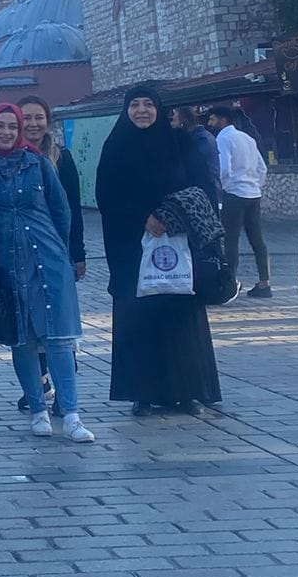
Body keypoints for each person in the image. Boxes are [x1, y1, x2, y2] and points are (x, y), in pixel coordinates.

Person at [95, 83, 222, 418]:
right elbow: (107, 196)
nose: (141, 111)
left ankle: (188, 392)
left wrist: (170, 217)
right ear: (126, 110)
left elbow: (203, 187)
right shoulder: (115, 147)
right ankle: (143, 392)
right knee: (139, 317)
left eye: (148, 104)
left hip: (180, 245)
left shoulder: (180, 143)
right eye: (134, 104)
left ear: (160, 109)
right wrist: (144, 219)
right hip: (132, 249)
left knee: (180, 317)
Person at [0, 105, 94, 444]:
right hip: (9, 263)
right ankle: (37, 410)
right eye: (0, 126)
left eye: (12, 126)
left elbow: (61, 211)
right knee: (23, 339)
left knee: (59, 338)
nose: (7, 132)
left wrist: (61, 250)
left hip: (48, 259)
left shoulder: (39, 164)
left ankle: (71, 414)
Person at [206, 105, 271, 297]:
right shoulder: (247, 138)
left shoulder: (224, 139)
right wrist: (255, 184)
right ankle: (264, 282)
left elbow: (224, 168)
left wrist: (225, 188)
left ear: (223, 120)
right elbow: (262, 168)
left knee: (231, 239)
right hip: (253, 194)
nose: (210, 123)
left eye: (212, 119)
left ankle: (230, 282)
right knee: (257, 240)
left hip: (234, 194)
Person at [19, 100, 86, 277]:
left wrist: (78, 253)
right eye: (27, 118)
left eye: (39, 117)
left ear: (47, 122)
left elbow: (73, 208)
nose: (33, 124)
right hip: (21, 249)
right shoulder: (9, 161)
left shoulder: (62, 158)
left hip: (57, 244)